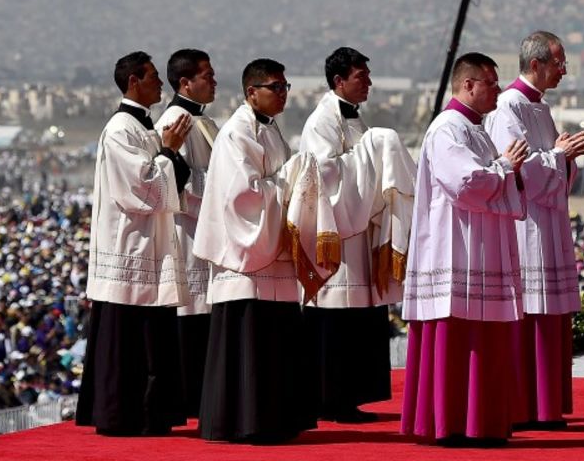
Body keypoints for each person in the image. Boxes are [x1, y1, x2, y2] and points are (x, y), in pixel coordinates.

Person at [400, 52, 529, 448]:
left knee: (484, 336)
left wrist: (511, 169)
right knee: (460, 336)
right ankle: (453, 423)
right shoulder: (447, 129)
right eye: (490, 82)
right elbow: (466, 184)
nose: (497, 88)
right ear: (468, 84)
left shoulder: (477, 129)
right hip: (454, 249)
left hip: (479, 248)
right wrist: (506, 167)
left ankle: (484, 421)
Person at [194, 59, 318, 444]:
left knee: (275, 339)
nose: (282, 94)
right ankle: (244, 420)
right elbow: (242, 197)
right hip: (246, 260)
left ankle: (277, 418)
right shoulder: (236, 133)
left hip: (272, 251)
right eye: (275, 87)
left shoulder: (271, 130)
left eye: (285, 87)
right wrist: (289, 179)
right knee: (248, 340)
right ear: (252, 92)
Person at [75, 51, 192, 436]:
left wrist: (168, 151)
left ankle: (151, 414)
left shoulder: (143, 127)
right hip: (130, 247)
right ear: (133, 82)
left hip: (148, 243)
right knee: (127, 341)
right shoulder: (121, 129)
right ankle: (122, 415)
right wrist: (170, 152)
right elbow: (139, 187)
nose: (161, 84)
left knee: (150, 339)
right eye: (154, 76)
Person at [485, 31, 584, 429]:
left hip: (548, 227)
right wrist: (561, 155)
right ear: (536, 65)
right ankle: (525, 406)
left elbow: (549, 163)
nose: (564, 70)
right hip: (526, 229)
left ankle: (546, 406)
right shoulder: (507, 108)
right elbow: (521, 173)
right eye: (559, 62)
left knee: (549, 315)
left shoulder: (540, 108)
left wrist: (566, 157)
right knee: (530, 314)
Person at [298, 47, 395, 423]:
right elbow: (323, 174)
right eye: (361, 77)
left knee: (357, 319)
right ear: (339, 81)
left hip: (359, 234)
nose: (368, 83)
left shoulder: (356, 120)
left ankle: (351, 395)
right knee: (335, 320)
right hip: (335, 235)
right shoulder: (322, 121)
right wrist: (369, 156)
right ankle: (331, 398)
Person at [155, 49, 220, 418]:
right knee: (192, 319)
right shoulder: (176, 120)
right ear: (185, 82)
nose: (214, 81)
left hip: (206, 231)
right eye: (207, 76)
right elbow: (179, 183)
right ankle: (190, 400)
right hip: (188, 231)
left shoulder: (202, 120)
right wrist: (226, 185)